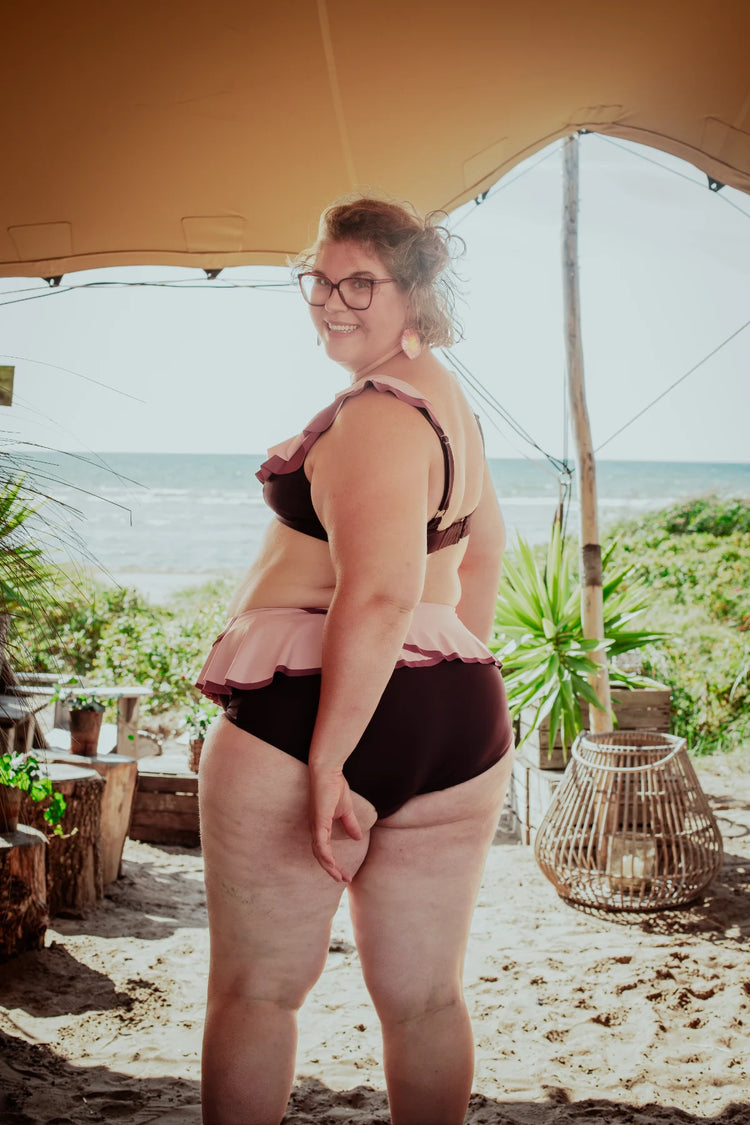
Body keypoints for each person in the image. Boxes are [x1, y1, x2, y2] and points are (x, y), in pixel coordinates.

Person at [196, 196, 514, 1125]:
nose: (333, 303)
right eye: (320, 281)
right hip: (455, 714)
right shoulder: (451, 406)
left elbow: (376, 596)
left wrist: (334, 757)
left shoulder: (377, 415)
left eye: (361, 284)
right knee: (427, 999)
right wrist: (442, 673)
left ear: (415, 291)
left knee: (257, 993)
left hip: (310, 714)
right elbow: (481, 555)